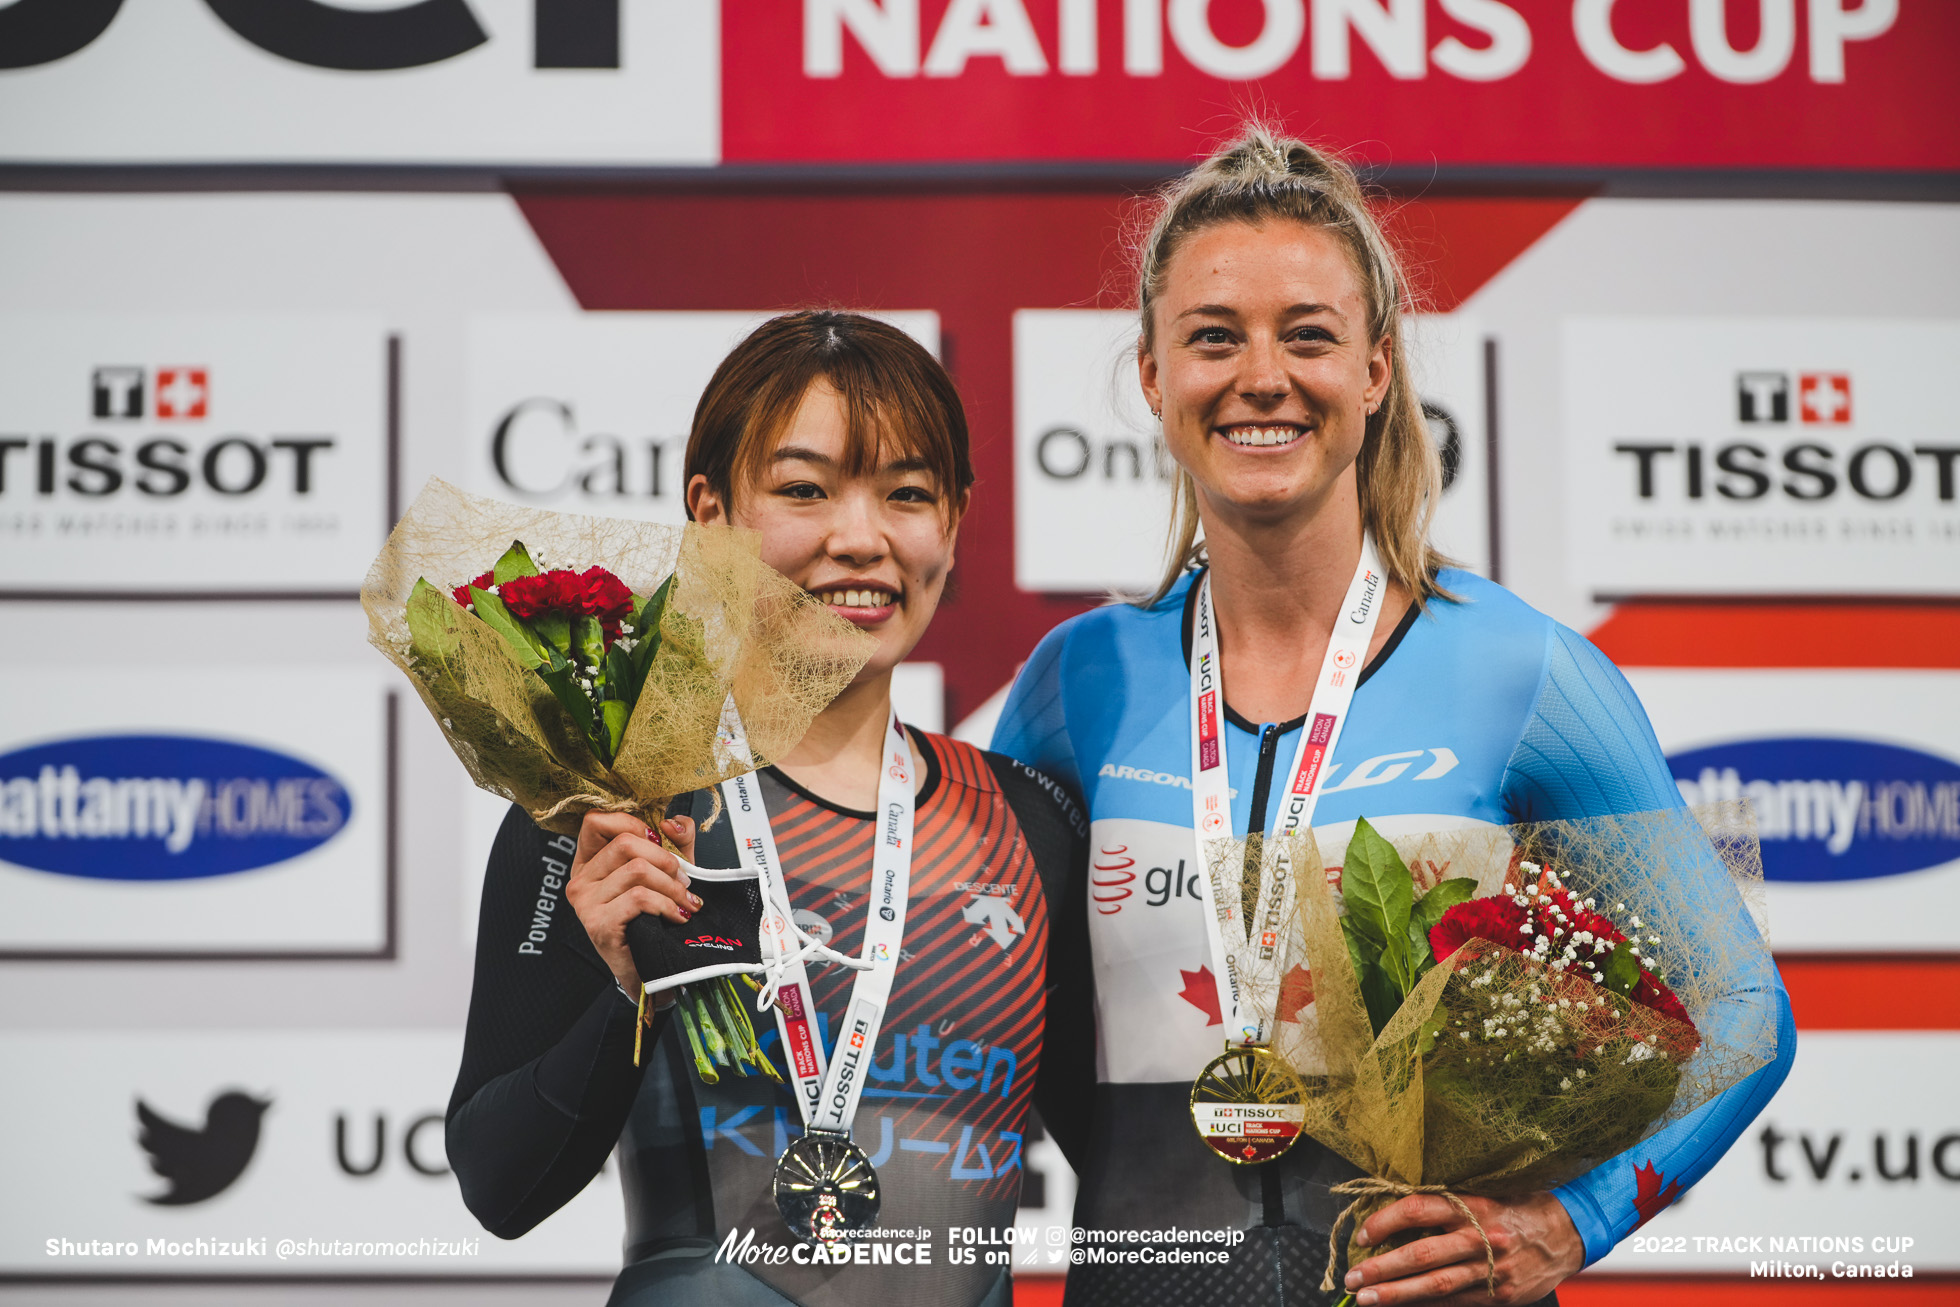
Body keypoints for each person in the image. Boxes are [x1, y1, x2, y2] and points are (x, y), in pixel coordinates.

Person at [990, 127, 1795, 1307]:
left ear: (1374, 371)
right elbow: (1008, 1017)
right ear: (1155, 378)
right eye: (1213, 336)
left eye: (1307, 334)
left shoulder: (1520, 669)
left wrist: (1571, 1220)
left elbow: (1743, 1009)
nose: (1260, 375)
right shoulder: (1076, 684)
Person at [447, 311, 1093, 1307]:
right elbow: (500, 1181)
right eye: (804, 488)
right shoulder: (611, 805)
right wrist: (623, 990)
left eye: (907, 493)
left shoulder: (1026, 820)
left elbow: (1136, 1160)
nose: (861, 537)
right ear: (711, 515)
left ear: (954, 522)